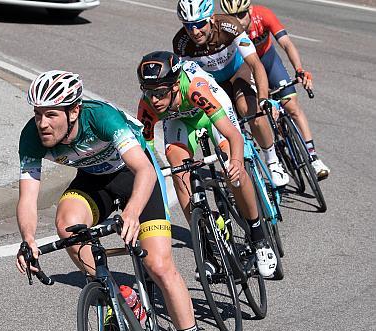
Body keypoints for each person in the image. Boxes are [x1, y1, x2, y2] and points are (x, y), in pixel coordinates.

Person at [15, 70, 212, 331]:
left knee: (160, 266)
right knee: (66, 223)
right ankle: (120, 293)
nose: (43, 123)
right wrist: (28, 239)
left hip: (136, 177)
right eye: (38, 114)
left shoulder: (101, 119)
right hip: (94, 180)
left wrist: (132, 213)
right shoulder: (31, 138)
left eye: (51, 114)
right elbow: (27, 197)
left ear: (73, 111)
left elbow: (145, 169)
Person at [137, 51, 277, 278]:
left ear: (174, 87)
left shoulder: (194, 88)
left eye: (159, 93)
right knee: (177, 168)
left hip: (211, 109)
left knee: (232, 167)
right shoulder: (148, 107)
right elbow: (146, 157)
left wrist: (236, 162)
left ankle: (259, 236)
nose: (154, 100)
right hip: (179, 120)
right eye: (148, 92)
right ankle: (205, 248)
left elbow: (234, 136)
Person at [174, 0, 289, 187]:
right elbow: (186, 80)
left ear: (211, 18)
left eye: (200, 24)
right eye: (188, 26)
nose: (195, 32)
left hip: (238, 73)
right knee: (223, 126)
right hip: (213, 85)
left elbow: (255, 64)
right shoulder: (181, 43)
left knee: (252, 113)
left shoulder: (229, 26)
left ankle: (273, 162)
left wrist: (263, 99)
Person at [220, 0, 330, 179]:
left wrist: (299, 69)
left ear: (250, 10)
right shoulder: (226, 29)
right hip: (246, 67)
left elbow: (286, 44)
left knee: (292, 106)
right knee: (258, 110)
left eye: (241, 15)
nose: (238, 21)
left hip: (268, 60)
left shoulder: (263, 15)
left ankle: (313, 156)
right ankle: (274, 146)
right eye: (232, 16)